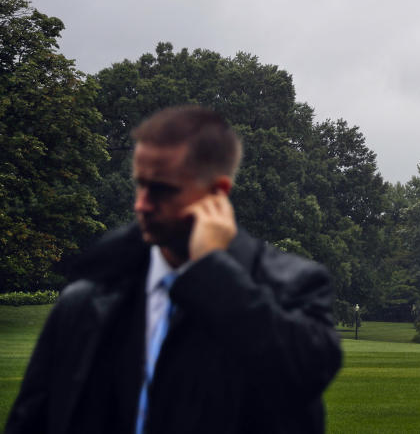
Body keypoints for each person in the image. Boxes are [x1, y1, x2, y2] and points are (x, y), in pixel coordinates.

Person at [6, 106, 342, 434]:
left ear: (217, 193)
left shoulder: (294, 284)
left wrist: (212, 270)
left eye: (162, 189)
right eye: (140, 185)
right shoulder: (87, 298)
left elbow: (305, 373)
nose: (141, 205)